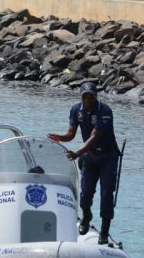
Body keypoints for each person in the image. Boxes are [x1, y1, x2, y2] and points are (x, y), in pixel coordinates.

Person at [48, 82, 119, 245]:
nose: (88, 100)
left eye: (91, 97)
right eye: (85, 97)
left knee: (107, 194)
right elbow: (71, 134)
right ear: (81, 97)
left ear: (96, 96)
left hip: (108, 156)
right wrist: (59, 138)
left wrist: (77, 153)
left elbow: (94, 137)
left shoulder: (105, 111)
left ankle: (104, 232)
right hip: (89, 157)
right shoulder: (76, 110)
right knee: (85, 194)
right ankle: (86, 216)